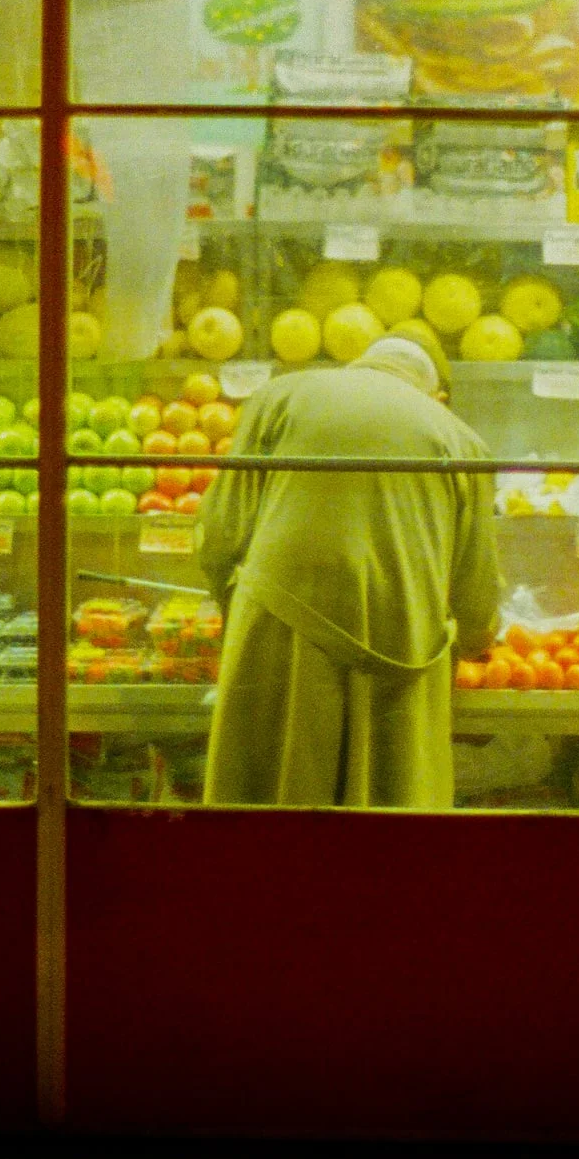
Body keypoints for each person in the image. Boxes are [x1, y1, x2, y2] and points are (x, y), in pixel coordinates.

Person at [196, 335, 502, 808]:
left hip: (277, 634)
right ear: (438, 394)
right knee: (386, 819)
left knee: (270, 815)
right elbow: (476, 599)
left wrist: (236, 615)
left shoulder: (278, 397)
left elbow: (220, 536)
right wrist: (478, 640)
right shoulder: (463, 441)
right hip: (401, 648)